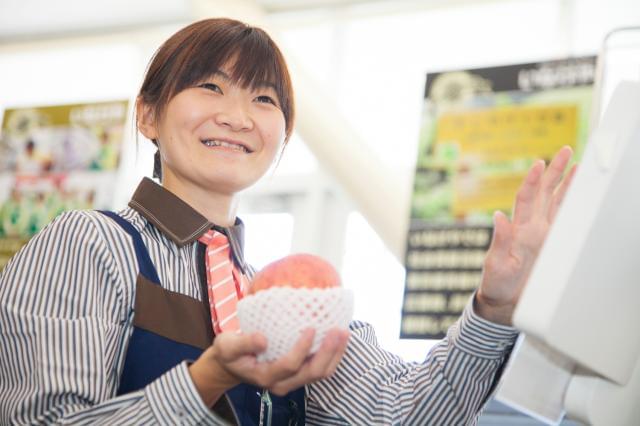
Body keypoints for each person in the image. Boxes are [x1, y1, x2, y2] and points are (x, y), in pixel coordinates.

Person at [0, 18, 575, 425]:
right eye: (210, 87)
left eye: (265, 100)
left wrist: (493, 310)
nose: (237, 117)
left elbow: (408, 414)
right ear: (148, 114)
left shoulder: (286, 295)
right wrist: (208, 379)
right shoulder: (89, 244)